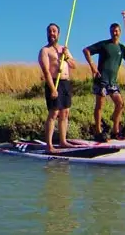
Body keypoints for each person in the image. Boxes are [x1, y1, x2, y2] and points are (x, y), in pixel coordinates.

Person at [82, 23, 125, 142]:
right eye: (112, 31)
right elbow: (86, 50)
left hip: (112, 82)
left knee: (120, 104)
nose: (114, 33)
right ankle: (98, 132)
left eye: (116, 31)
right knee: (100, 106)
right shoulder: (104, 44)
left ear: (120, 32)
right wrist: (93, 66)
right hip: (102, 81)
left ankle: (115, 131)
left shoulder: (121, 48)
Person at [38, 23, 77, 152]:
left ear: (58, 34)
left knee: (65, 113)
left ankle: (63, 141)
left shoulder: (64, 49)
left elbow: (73, 65)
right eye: (49, 31)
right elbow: (46, 71)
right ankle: (49, 145)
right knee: (53, 113)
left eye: (54, 31)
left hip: (65, 83)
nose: (52, 34)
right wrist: (53, 88)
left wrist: (65, 56)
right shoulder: (45, 50)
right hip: (54, 82)